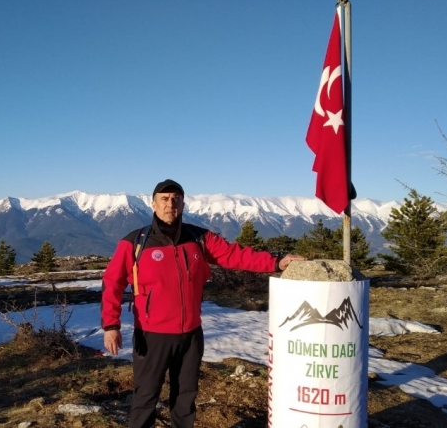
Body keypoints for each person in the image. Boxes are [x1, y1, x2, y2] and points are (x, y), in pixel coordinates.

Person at [101, 179, 304, 428]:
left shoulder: (199, 238)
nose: (170, 204)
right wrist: (111, 325)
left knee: (186, 397)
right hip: (152, 335)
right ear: (153, 204)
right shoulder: (135, 243)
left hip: (191, 334)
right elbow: (112, 282)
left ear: (183, 204)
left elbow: (234, 255)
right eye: (164, 199)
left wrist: (276, 262)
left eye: (176, 199)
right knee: (146, 396)